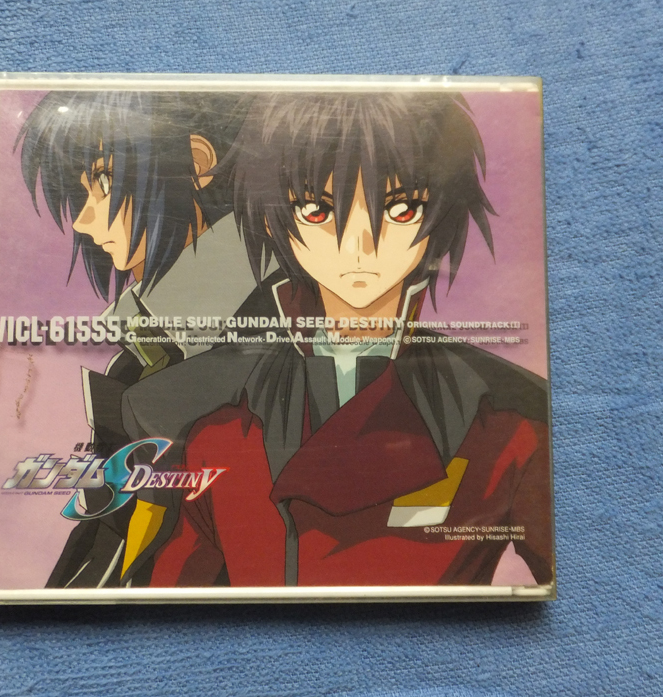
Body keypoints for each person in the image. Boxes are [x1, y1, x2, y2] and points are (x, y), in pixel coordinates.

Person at [120, 91, 553, 588]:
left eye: (400, 208)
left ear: (440, 213)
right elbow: (172, 598)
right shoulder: (208, 419)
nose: (360, 245)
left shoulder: (510, 420)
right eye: (318, 210)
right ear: (273, 220)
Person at [16, 90, 274, 587]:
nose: (84, 221)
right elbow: (105, 547)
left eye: (104, 182)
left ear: (196, 164)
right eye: (81, 191)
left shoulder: (276, 331)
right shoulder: (142, 349)